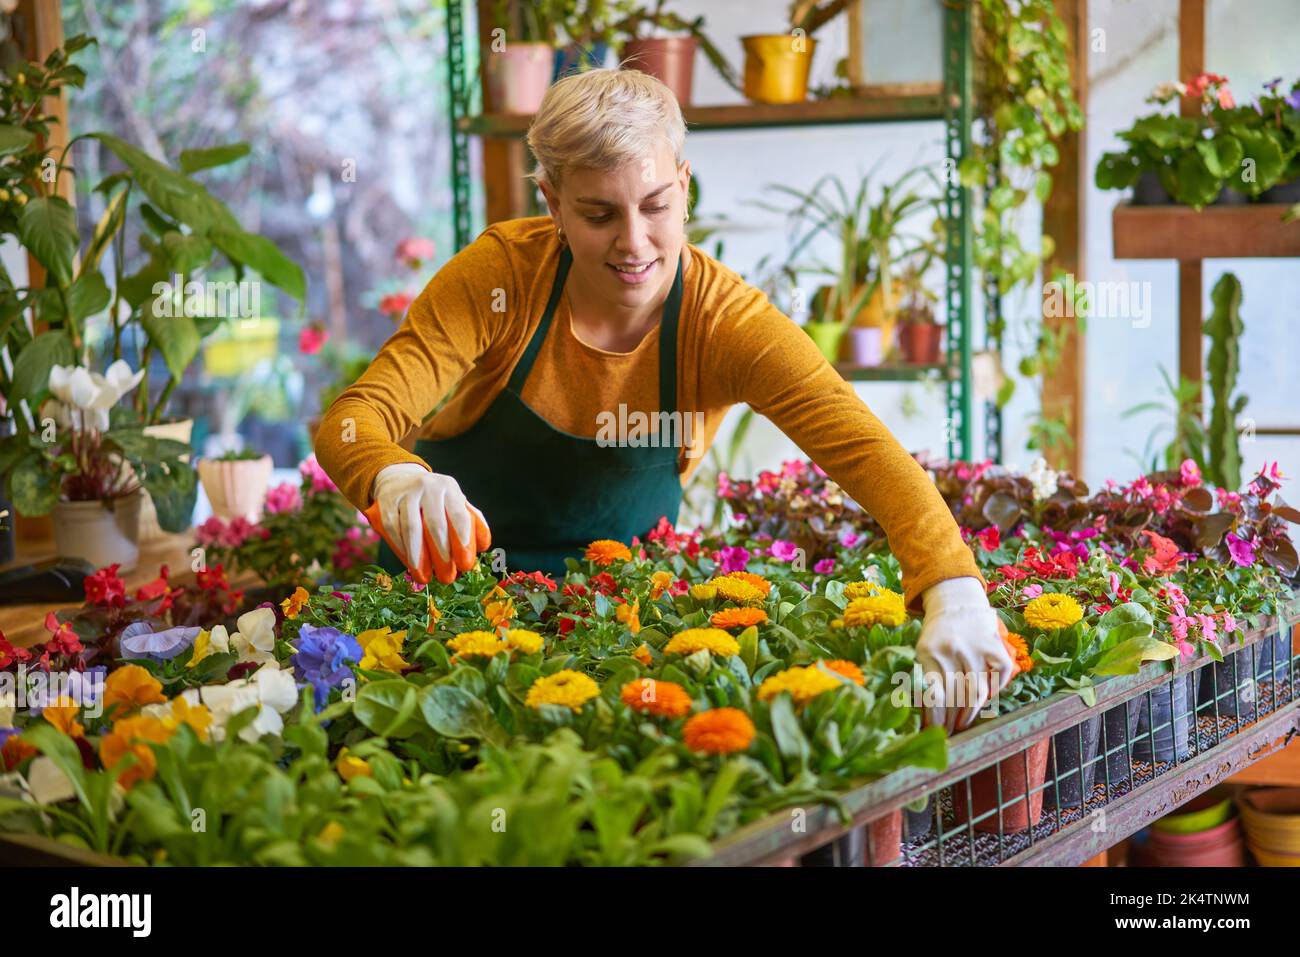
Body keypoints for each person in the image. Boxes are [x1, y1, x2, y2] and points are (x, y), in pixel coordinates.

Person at [315, 68, 1013, 732]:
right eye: (597, 214)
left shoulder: (722, 322)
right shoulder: (503, 280)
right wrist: (396, 475)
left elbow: (862, 447)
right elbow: (351, 423)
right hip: (443, 628)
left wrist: (952, 588)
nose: (635, 242)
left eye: (656, 206)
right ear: (552, 202)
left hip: (615, 637)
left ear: (684, 186)